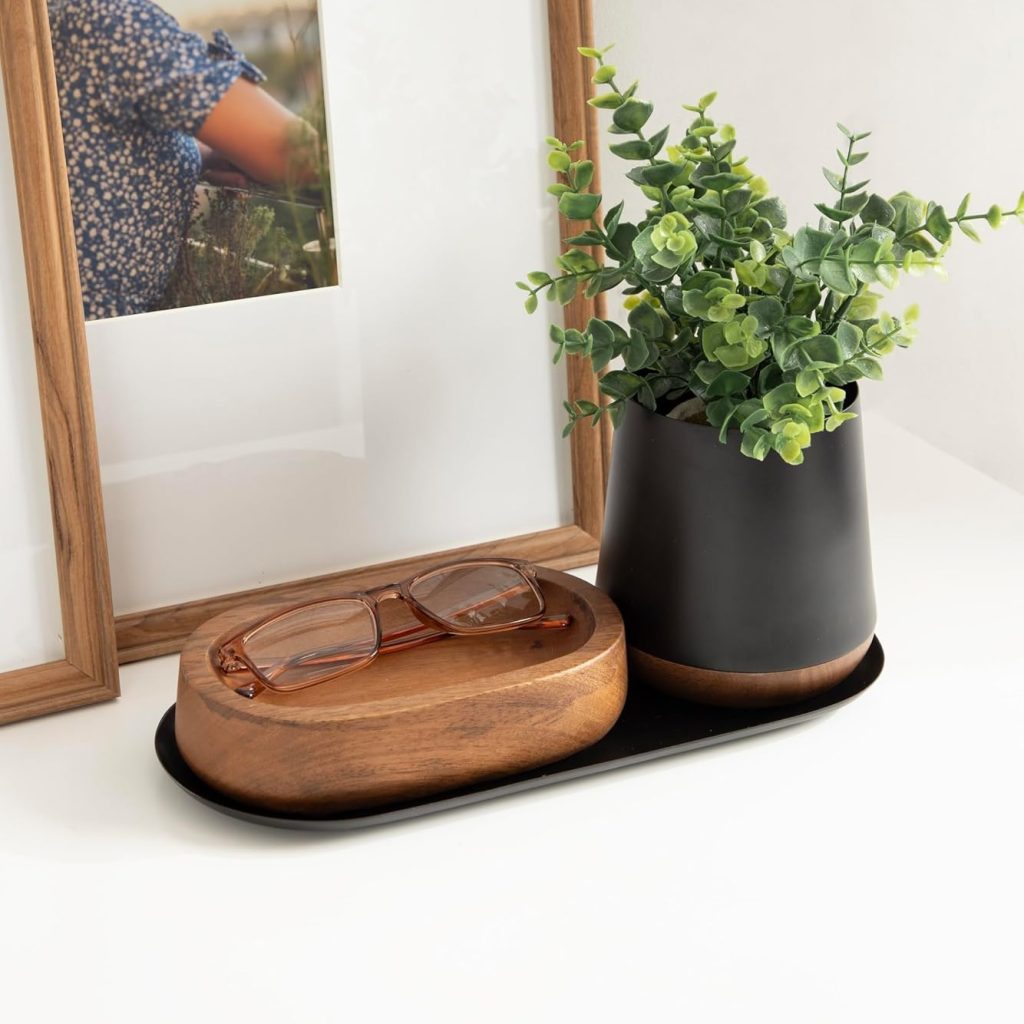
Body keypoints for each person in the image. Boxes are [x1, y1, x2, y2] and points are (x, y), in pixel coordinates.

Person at [47, 0, 320, 320]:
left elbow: (87, 145)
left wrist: (194, 155)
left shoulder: (51, 18)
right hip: (97, 342)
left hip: (54, 325)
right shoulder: (109, 21)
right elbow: (297, 156)